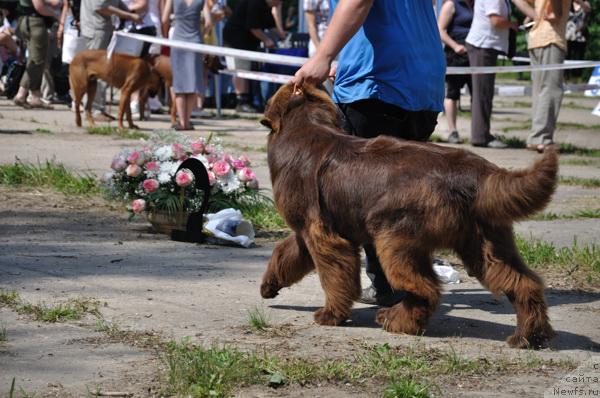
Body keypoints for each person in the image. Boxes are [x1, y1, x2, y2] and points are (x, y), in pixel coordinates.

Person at [293, 0, 445, 306]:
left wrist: (323, 56)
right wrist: (347, 57)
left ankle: (394, 288)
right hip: (422, 83)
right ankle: (409, 284)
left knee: (367, 201)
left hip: (378, 86)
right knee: (406, 198)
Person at [465, 0, 535, 148]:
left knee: (484, 94)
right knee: (482, 95)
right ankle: (480, 137)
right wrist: (512, 25)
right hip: (483, 46)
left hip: (486, 47)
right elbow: (495, 21)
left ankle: (482, 134)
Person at [79, 0, 141, 119]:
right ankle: (95, 110)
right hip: (97, 30)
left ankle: (96, 108)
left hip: (100, 29)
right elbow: (101, 7)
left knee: (100, 72)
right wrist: (129, 15)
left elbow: (114, 2)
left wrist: (127, 11)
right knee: (97, 72)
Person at [222, 0, 283, 113]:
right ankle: (241, 101)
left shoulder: (266, 6)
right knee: (240, 70)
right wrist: (266, 40)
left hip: (248, 43)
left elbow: (271, 26)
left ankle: (249, 100)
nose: (279, 3)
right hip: (235, 41)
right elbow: (253, 27)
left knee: (248, 71)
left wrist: (283, 35)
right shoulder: (255, 3)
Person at [526, 0, 571, 152]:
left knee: (539, 91)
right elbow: (554, 15)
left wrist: (533, 16)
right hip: (552, 38)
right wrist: (557, 12)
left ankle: (536, 137)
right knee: (551, 90)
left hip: (535, 39)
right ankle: (541, 139)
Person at [161, 0, 210, 130]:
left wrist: (165, 37)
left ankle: (182, 122)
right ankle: (187, 122)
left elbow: (165, 19)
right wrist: (203, 33)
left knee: (180, 84)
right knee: (192, 83)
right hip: (195, 41)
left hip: (178, 41)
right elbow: (209, 22)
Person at [12, 0, 63, 108]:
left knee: (36, 60)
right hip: (35, 23)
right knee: (36, 61)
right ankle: (21, 95)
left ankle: (35, 96)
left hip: (27, 22)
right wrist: (56, 15)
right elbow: (39, 7)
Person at [438, 0, 473, 144]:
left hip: (473, 52)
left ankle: (477, 132)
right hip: (455, 54)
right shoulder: (451, 5)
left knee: (476, 94)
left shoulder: (476, 4)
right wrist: (455, 46)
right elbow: (440, 30)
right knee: (452, 93)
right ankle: (453, 131)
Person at [566, 0, 590, 79]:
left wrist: (579, 1)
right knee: (566, 58)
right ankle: (565, 78)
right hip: (567, 36)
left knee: (577, 58)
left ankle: (576, 78)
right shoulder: (568, 3)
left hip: (580, 38)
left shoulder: (585, 4)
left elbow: (587, 9)